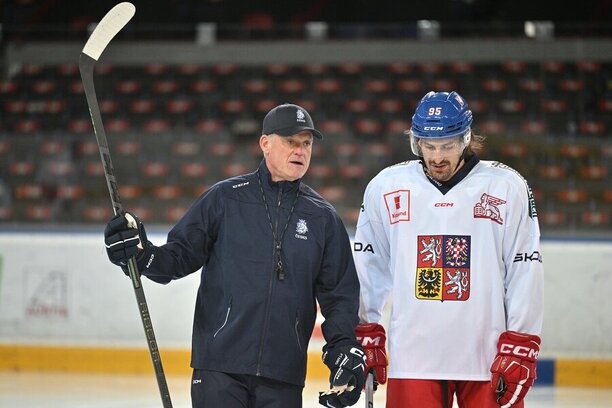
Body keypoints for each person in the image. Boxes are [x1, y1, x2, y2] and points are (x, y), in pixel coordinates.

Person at [104, 103, 365, 408]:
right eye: (290, 141)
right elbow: (176, 259)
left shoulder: (323, 217)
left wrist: (342, 349)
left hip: (283, 373)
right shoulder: (225, 198)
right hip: (219, 368)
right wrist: (140, 255)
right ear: (265, 144)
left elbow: (339, 296)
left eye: (306, 143)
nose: (300, 150)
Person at [353, 91, 543, 408]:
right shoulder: (387, 186)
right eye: (429, 146)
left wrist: (522, 340)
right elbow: (369, 261)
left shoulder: (506, 185)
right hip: (414, 357)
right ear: (416, 142)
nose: (437, 156)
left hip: (486, 355)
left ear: (465, 139)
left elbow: (525, 265)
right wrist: (366, 326)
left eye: (447, 145)